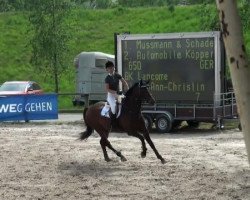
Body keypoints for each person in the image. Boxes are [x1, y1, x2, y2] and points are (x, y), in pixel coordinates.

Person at [105, 61, 129, 126]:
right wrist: (114, 92)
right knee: (113, 109)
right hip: (111, 94)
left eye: (112, 67)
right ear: (107, 69)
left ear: (114, 68)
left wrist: (127, 88)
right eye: (109, 68)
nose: (111, 69)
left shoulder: (117, 75)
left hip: (118, 93)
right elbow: (107, 89)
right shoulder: (107, 78)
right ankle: (112, 123)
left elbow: (124, 82)